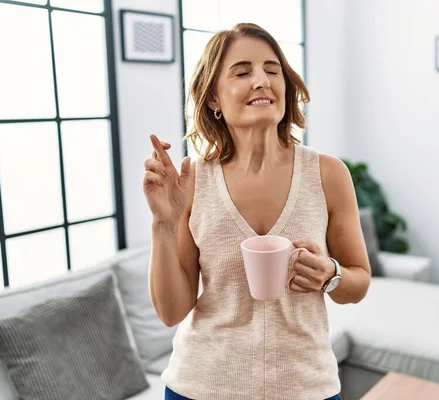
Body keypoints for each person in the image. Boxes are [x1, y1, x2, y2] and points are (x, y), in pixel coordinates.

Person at [143, 22, 371, 400]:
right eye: (242, 71)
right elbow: (171, 311)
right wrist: (163, 223)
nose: (262, 80)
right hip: (201, 386)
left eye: (272, 69)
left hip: (305, 387)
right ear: (213, 97)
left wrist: (330, 275)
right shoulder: (193, 181)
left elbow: (358, 282)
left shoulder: (328, 174)